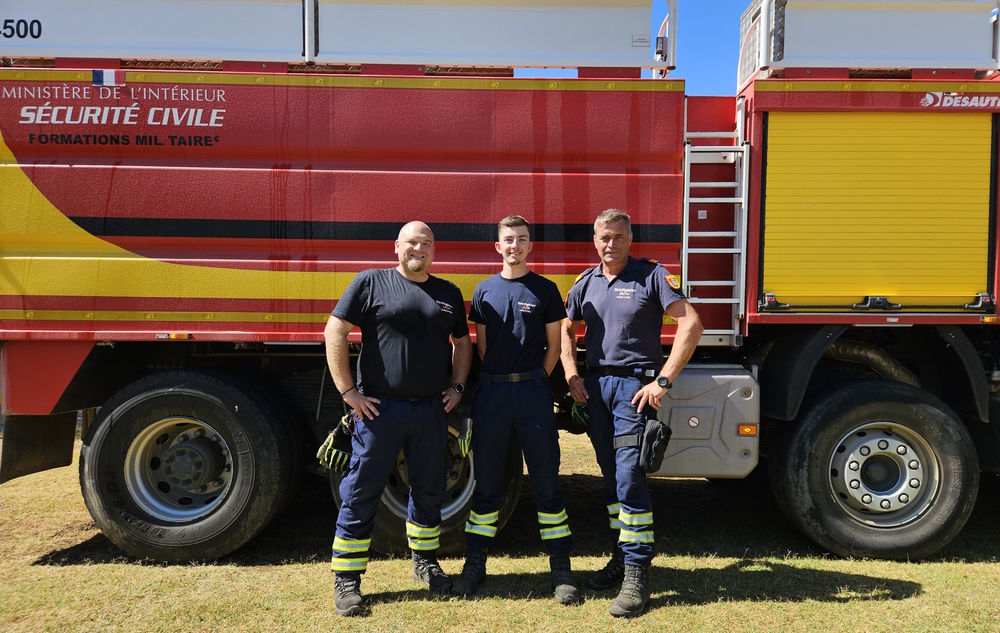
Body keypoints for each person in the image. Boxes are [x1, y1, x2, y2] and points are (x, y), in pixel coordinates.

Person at [324, 221, 472, 617]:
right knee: (361, 491)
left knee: (429, 488)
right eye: (412, 242)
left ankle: (425, 563)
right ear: (396, 246)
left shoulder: (447, 292)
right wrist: (348, 393)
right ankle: (347, 579)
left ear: (434, 250)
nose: (418, 249)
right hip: (379, 410)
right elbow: (335, 330)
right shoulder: (371, 282)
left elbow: (462, 342)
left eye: (426, 243)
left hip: (431, 411)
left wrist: (457, 387)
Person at [560, 208, 703, 618]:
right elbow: (566, 329)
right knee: (610, 480)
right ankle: (622, 558)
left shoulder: (652, 276)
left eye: (618, 236)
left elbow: (691, 324)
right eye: (604, 237)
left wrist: (662, 381)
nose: (611, 244)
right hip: (596, 389)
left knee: (629, 477)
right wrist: (571, 374)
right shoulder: (585, 283)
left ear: (630, 238)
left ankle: (637, 573)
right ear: (595, 241)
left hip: (633, 391)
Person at [451, 215, 579, 604]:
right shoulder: (484, 291)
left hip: (532, 393)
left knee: (546, 481)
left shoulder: (545, 289)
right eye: (508, 239)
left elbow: (554, 346)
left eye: (522, 239)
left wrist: (533, 379)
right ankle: (475, 564)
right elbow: (483, 347)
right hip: (493, 393)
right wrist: (502, 379)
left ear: (530, 246)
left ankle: (561, 568)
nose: (515, 246)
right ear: (498, 246)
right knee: (487, 482)